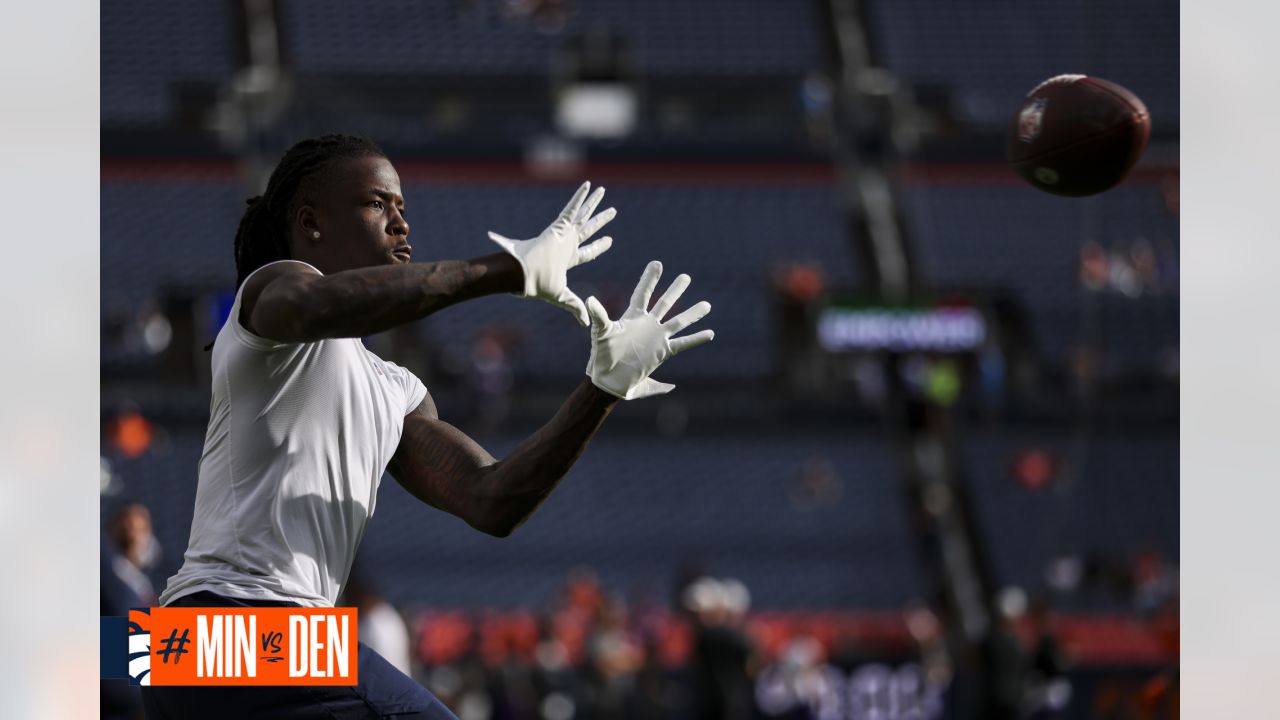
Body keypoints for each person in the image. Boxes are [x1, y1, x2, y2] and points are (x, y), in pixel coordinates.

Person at [141, 134, 714, 720]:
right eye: (377, 204)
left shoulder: (395, 390)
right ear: (310, 222)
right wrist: (507, 271)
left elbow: (490, 500)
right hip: (239, 632)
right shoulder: (272, 297)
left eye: (404, 209)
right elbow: (321, 306)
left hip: (184, 651)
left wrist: (601, 389)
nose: (401, 225)